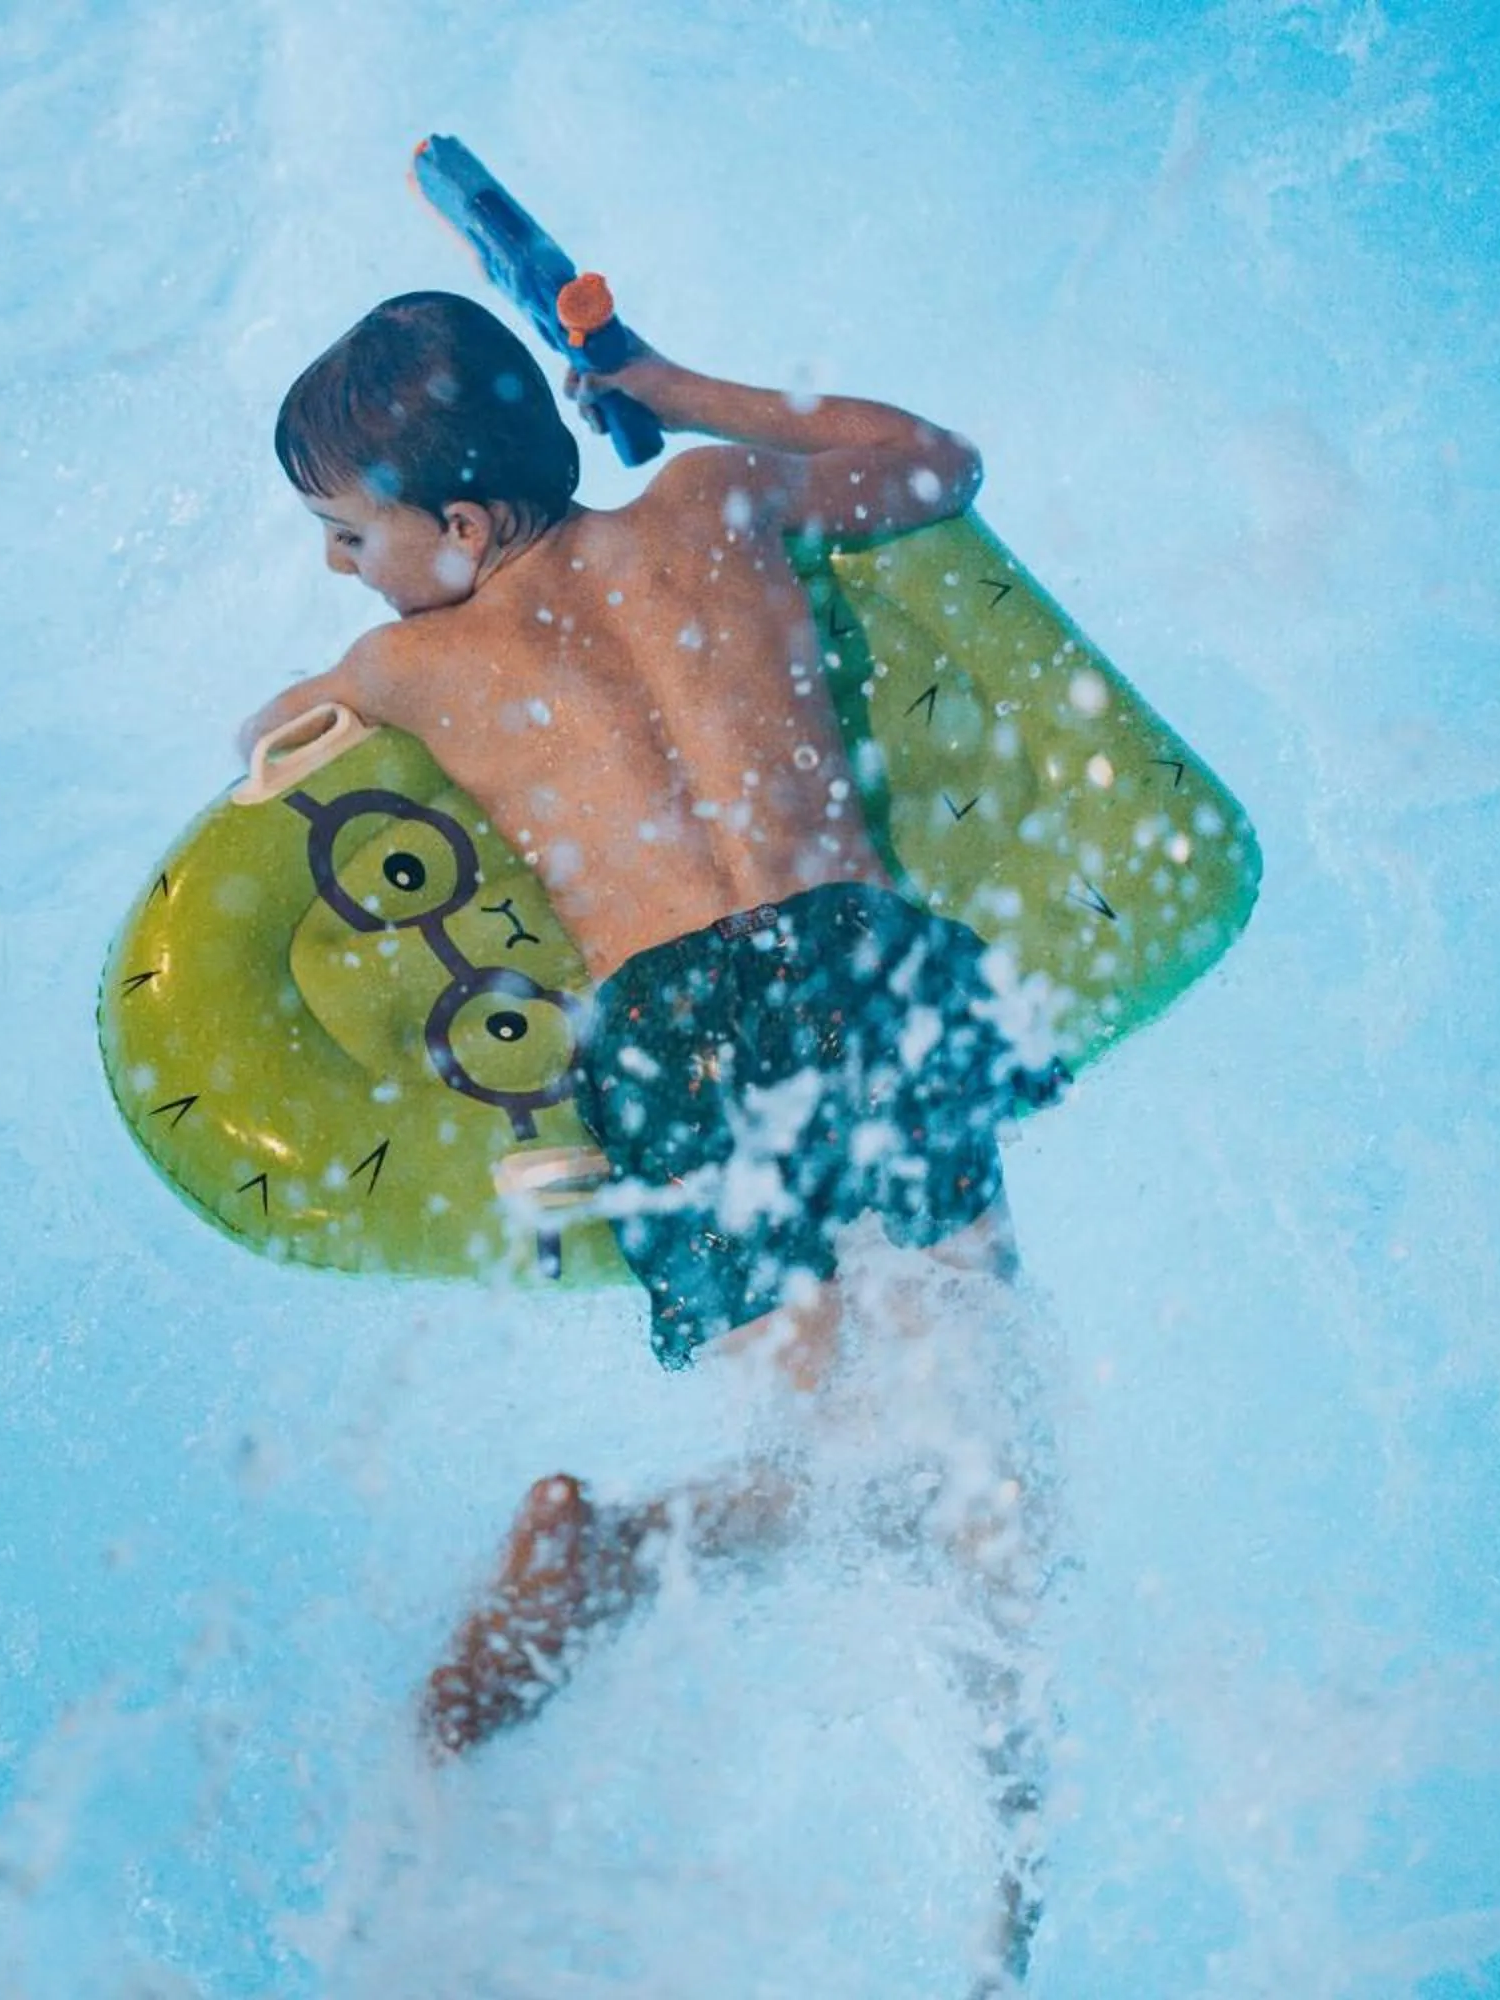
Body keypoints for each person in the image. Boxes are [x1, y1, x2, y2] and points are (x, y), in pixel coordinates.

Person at [241, 291, 1065, 1985]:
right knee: (981, 1423)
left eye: (350, 532)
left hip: (676, 1041)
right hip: (860, 966)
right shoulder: (713, 502)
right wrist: (675, 390)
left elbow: (262, 762)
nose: (344, 567)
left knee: (861, 1443)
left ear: (460, 531)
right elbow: (936, 464)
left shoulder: (406, 662)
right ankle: (1010, 1902)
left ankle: (616, 1554)